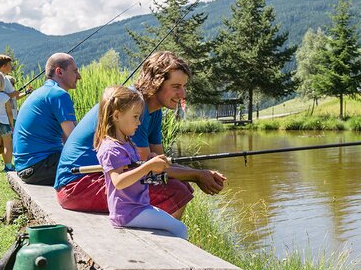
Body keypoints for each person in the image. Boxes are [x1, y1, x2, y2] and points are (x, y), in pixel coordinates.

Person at [55, 51, 226, 219]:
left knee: (181, 185)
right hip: (77, 186)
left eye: (183, 87)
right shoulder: (133, 108)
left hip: (97, 179)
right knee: (175, 191)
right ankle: (160, 244)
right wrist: (197, 174)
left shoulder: (154, 110)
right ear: (156, 83)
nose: (183, 94)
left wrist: (198, 174)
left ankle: (162, 235)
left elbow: (160, 161)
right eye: (176, 87)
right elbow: (146, 166)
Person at [94, 85, 188, 238]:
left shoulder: (126, 143)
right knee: (179, 229)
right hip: (128, 212)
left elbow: (134, 174)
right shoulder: (111, 148)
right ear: (117, 116)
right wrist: (147, 166)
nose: (139, 122)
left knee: (175, 228)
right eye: (135, 117)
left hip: (139, 207)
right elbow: (118, 181)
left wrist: (149, 165)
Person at [13, 52, 81, 185]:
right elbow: (75, 140)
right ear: (59, 71)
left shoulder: (44, 92)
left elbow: (67, 138)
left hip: (28, 167)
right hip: (39, 166)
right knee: (102, 165)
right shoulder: (59, 95)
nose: (79, 76)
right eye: (75, 71)